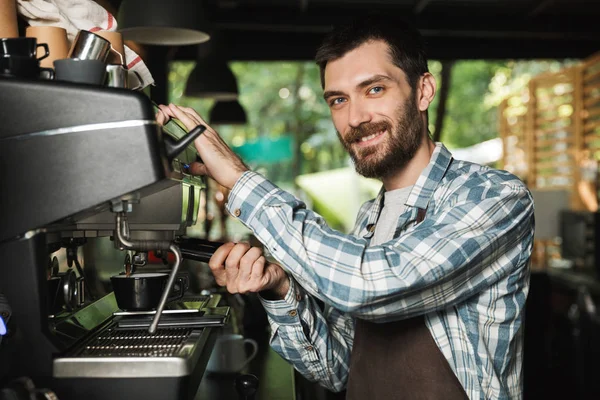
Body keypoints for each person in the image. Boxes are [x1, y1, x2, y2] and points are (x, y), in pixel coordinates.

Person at [156, 15, 534, 400]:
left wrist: (240, 180)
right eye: (339, 99)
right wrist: (280, 287)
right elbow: (336, 369)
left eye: (374, 89)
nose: (355, 118)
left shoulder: (493, 197)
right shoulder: (370, 219)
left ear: (423, 91)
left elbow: (371, 285)